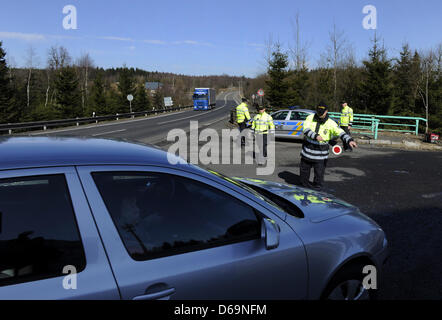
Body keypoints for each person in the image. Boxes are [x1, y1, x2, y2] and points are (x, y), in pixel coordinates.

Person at [300, 103, 357, 190]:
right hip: (307, 152)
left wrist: (349, 140)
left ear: (326, 111)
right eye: (318, 112)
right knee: (303, 176)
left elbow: (340, 132)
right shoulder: (310, 118)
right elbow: (306, 129)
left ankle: (316, 193)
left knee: (319, 177)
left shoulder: (331, 123)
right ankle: (303, 192)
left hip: (321, 155)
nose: (319, 114)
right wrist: (315, 136)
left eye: (322, 112)